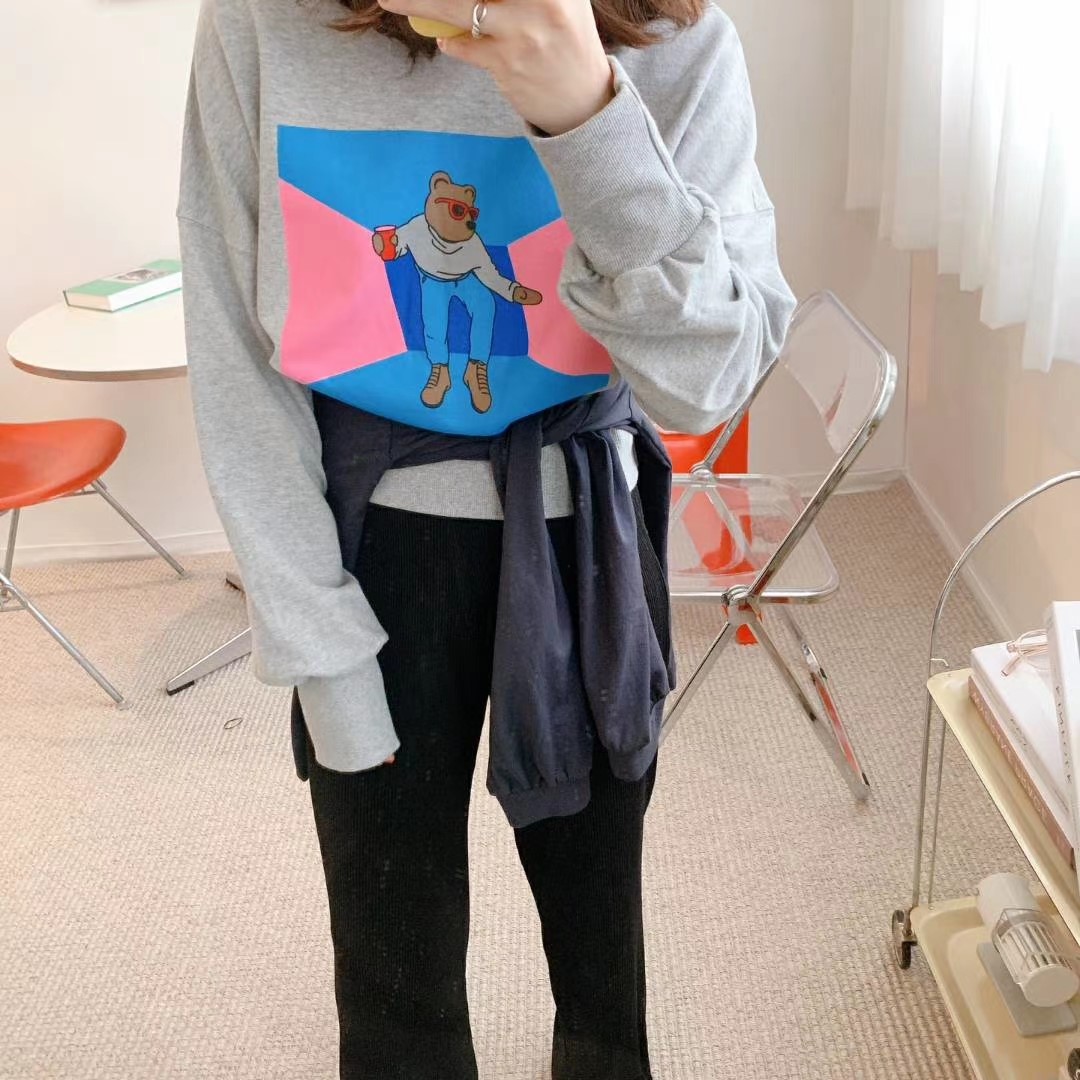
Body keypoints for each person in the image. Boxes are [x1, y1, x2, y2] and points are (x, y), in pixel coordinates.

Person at [177, 0, 795, 1076]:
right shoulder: (263, 20)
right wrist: (318, 645)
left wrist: (587, 114)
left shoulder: (677, 39)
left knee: (600, 955)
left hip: (582, 538)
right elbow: (237, 352)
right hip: (368, 545)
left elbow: (709, 383)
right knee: (394, 973)